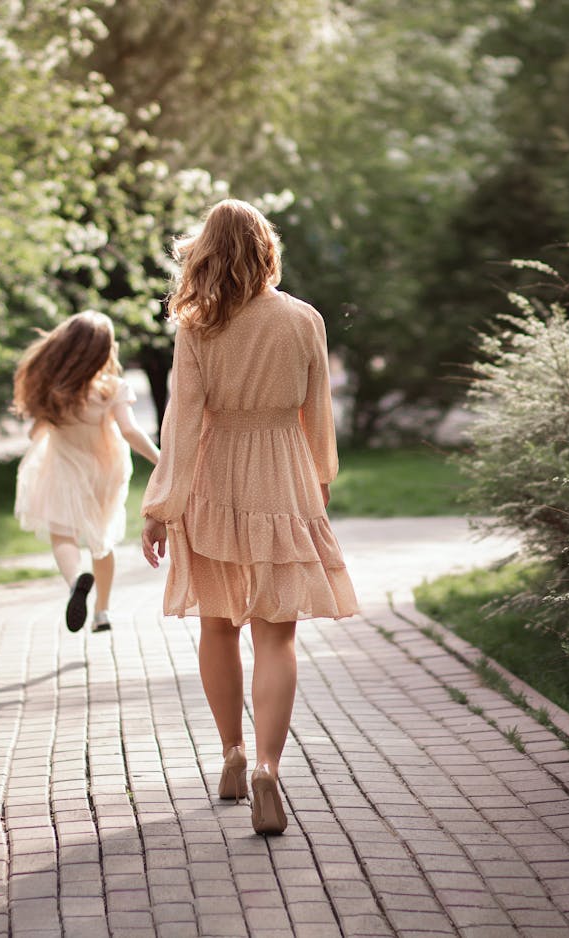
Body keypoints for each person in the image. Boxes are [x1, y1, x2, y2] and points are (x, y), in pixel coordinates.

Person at [140, 199, 358, 835]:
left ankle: (232, 754)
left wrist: (161, 507)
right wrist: (318, 480)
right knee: (277, 632)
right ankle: (268, 765)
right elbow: (318, 412)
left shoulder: (198, 324)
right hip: (283, 473)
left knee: (217, 625)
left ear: (206, 252)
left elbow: (181, 419)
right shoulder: (304, 319)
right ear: (267, 249)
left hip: (213, 477)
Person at [13, 310, 159, 632]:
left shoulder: (54, 390)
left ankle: (75, 580)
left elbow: (35, 432)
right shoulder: (111, 388)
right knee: (101, 539)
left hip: (64, 467)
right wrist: (160, 460)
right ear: (104, 350)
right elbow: (131, 431)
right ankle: (102, 613)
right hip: (105, 472)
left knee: (62, 532)